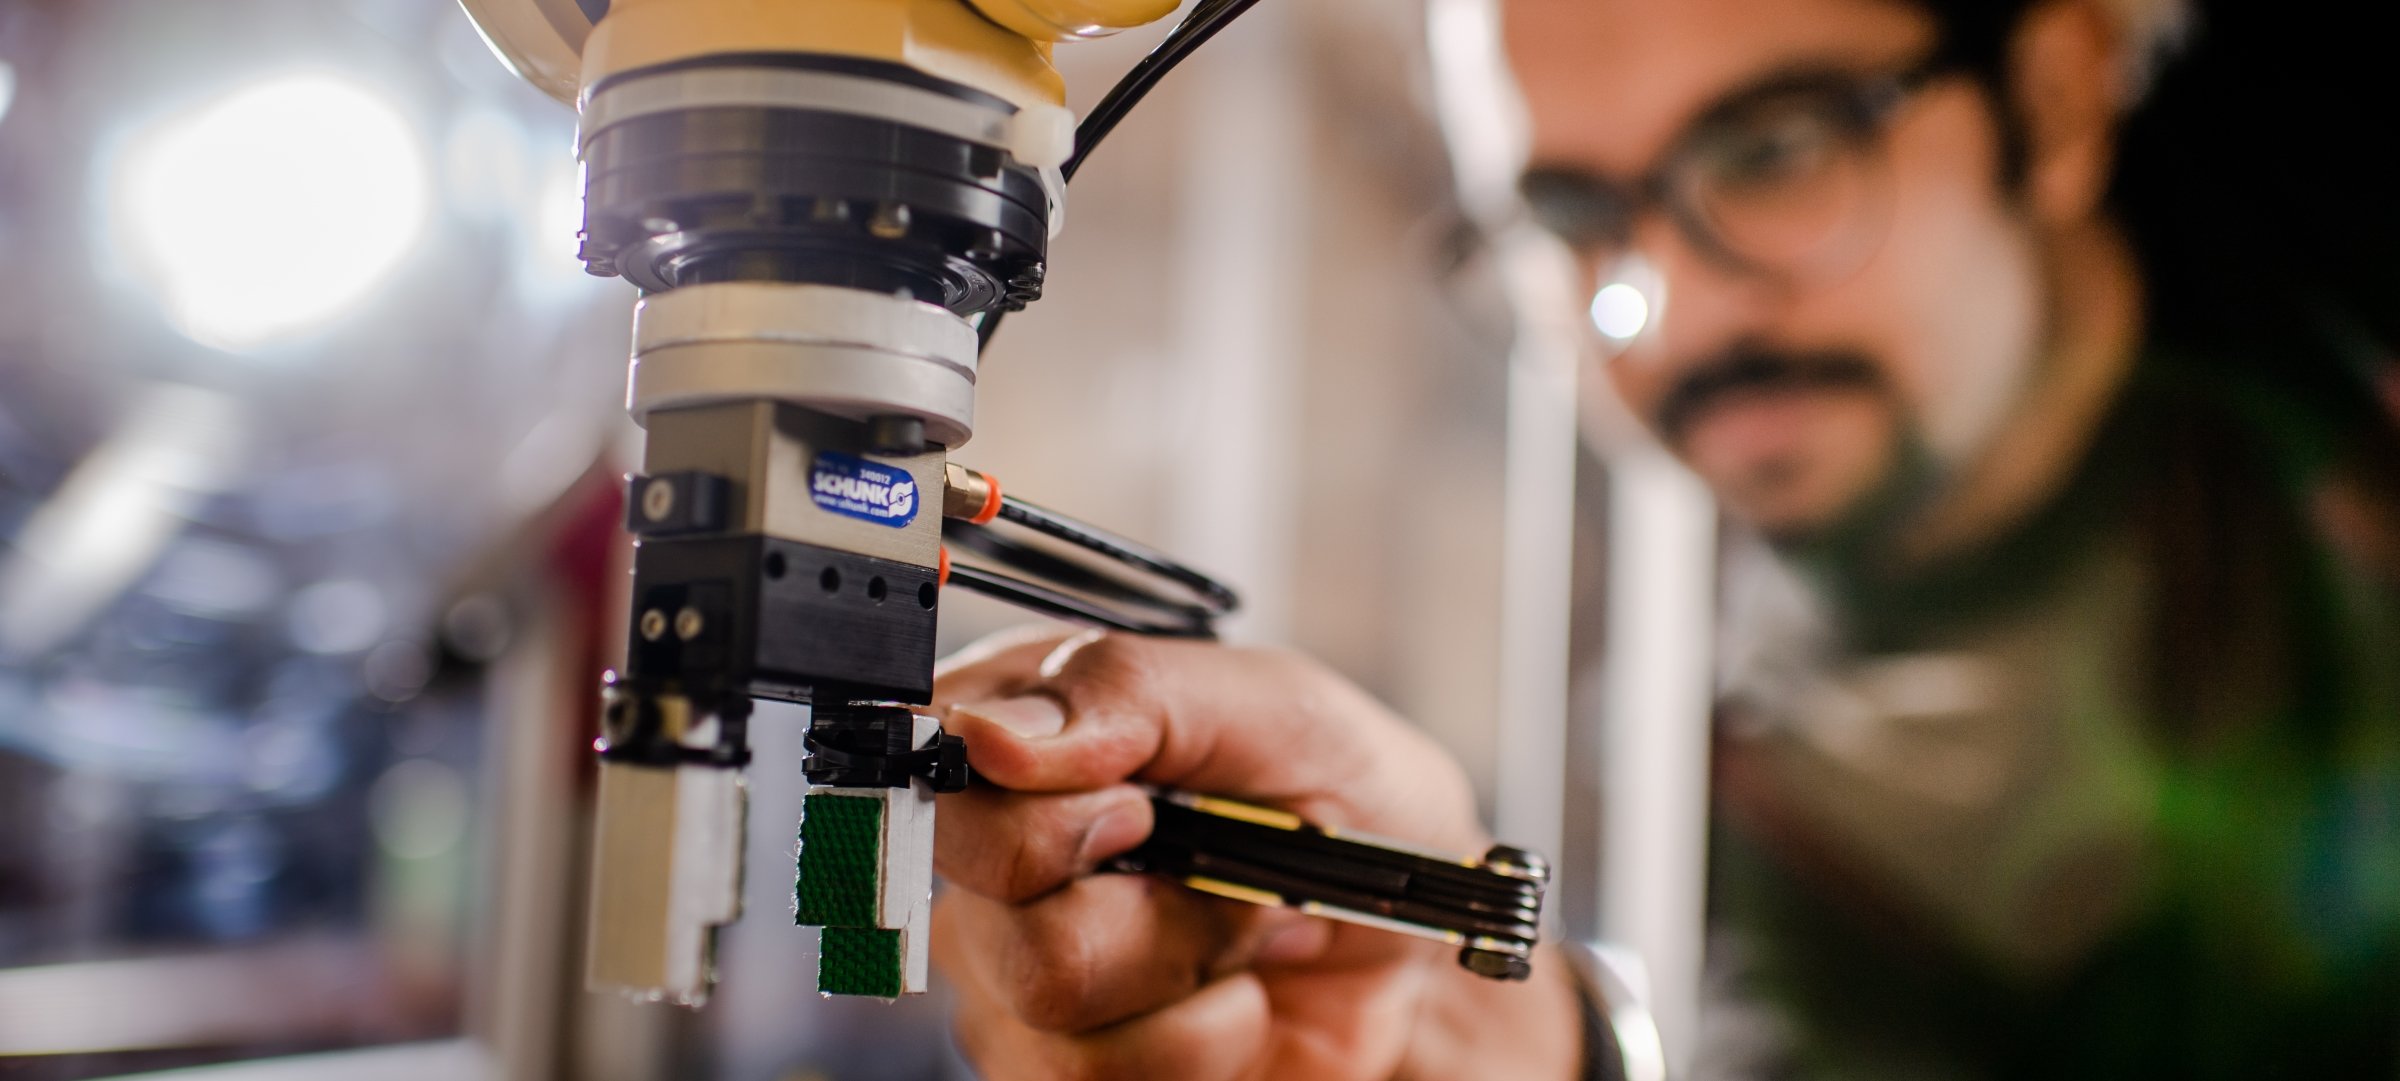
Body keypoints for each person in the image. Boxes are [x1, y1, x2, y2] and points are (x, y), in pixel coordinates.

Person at [926, 0, 2400, 1076]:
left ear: (2059, 85)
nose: (1669, 314)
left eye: (1770, 151)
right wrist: (1509, 1047)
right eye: (1573, 216)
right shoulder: (1746, 790)